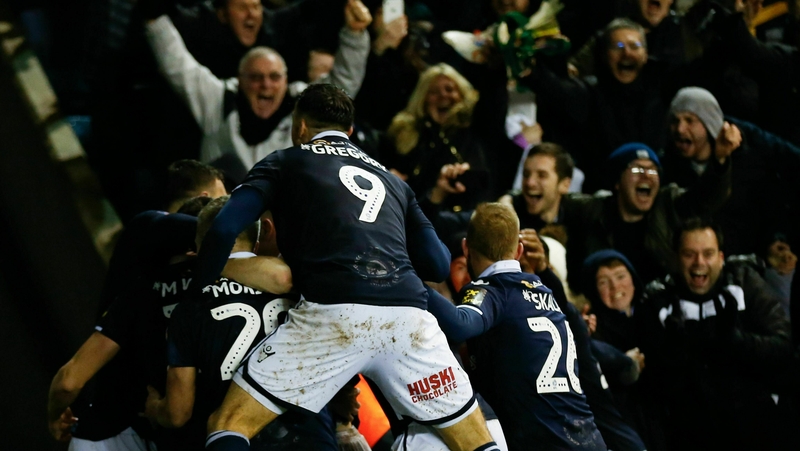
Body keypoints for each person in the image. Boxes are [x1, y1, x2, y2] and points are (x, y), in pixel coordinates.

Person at [193, 83, 501, 451]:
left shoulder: (285, 160)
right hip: (409, 321)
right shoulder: (392, 181)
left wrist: (199, 283)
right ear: (350, 132)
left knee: (227, 424)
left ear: (301, 126)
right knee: (477, 443)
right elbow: (436, 263)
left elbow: (225, 227)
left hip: (333, 313)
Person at [144, 196, 364, 450]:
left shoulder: (189, 308)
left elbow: (178, 412)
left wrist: (155, 409)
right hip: (312, 433)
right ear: (257, 239)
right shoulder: (298, 283)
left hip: (244, 437)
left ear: (200, 246)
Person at [423, 202, 607, 451]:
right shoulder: (543, 290)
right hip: (590, 438)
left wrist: (411, 283)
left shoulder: (493, 290)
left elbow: (461, 324)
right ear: (519, 250)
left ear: (466, 247)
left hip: (543, 443)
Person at [144, 1, 372, 185]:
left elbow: (343, 84)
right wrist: (154, 18)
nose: (265, 85)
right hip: (221, 216)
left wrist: (354, 34)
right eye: (255, 77)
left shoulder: (301, 102)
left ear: (285, 80)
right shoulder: (219, 99)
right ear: (240, 80)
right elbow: (177, 65)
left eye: (274, 77)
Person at [635, 217, 797, 450]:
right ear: (676, 258)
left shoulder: (744, 283)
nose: (699, 263)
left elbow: (783, 345)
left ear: (721, 258)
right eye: (689, 254)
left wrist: (738, 343)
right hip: (692, 435)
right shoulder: (657, 300)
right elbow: (654, 385)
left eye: (708, 254)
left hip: (757, 426)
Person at [559, 138, 736, 293]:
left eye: (653, 171)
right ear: (617, 182)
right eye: (636, 170)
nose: (646, 176)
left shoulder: (668, 203)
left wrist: (719, 160)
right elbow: (556, 203)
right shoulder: (593, 209)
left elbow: (708, 196)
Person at [661, 86, 800, 256]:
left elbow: (770, 206)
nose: (680, 129)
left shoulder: (748, 158)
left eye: (690, 120)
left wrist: (775, 239)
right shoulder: (668, 167)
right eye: (675, 121)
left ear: (710, 124)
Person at [383, 63, 494, 212]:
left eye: (449, 89)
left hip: (470, 218)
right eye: (434, 91)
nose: (443, 96)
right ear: (423, 98)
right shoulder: (404, 136)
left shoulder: (476, 130)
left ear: (462, 95)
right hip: (419, 220)